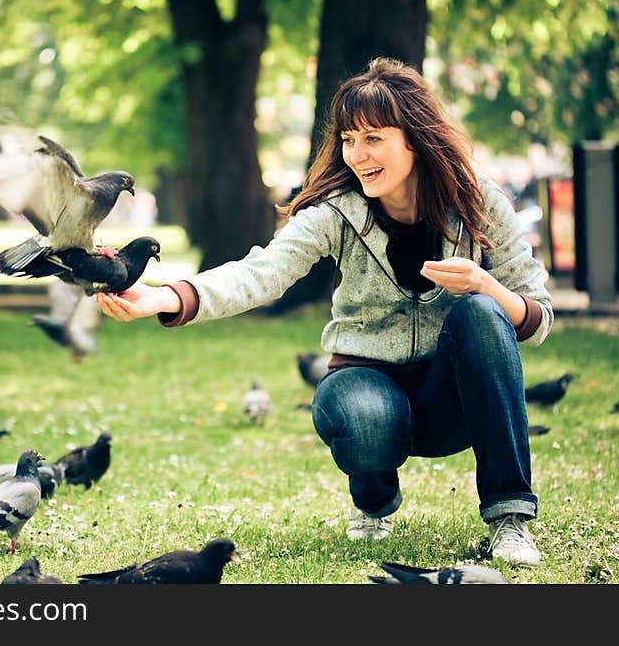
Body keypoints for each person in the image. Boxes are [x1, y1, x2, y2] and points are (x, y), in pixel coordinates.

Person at [96, 57, 552, 567]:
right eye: (347, 139)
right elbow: (262, 272)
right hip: (366, 385)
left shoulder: (478, 202)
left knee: (482, 314)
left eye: (372, 138)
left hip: (457, 400)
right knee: (365, 418)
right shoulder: (337, 210)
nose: (356, 154)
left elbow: (537, 318)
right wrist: (167, 296)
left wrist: (488, 286)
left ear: (414, 138)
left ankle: (509, 520)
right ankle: (375, 504)